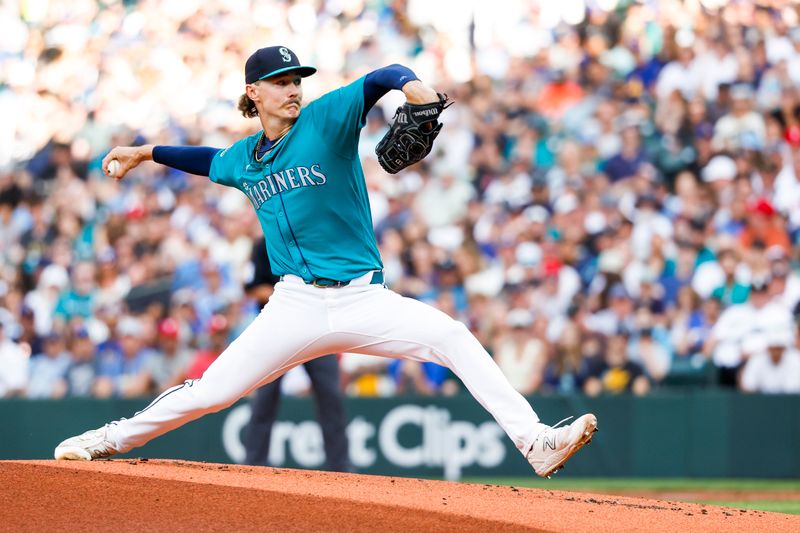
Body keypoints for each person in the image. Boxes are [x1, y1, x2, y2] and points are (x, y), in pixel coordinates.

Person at [53, 45, 597, 478]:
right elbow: (205, 160)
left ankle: (536, 442)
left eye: (297, 81)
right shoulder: (244, 158)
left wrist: (414, 88)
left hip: (363, 298)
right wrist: (145, 152)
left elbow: (382, 74)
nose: (293, 89)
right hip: (294, 304)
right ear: (254, 93)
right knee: (212, 393)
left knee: (453, 336)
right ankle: (108, 439)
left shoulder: (326, 120)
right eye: (281, 82)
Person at [242, 238, 349, 472]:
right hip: (276, 329)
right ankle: (254, 465)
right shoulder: (264, 244)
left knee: (330, 397)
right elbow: (253, 288)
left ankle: (340, 468)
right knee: (265, 398)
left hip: (316, 328)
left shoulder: (314, 240)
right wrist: (295, 299)